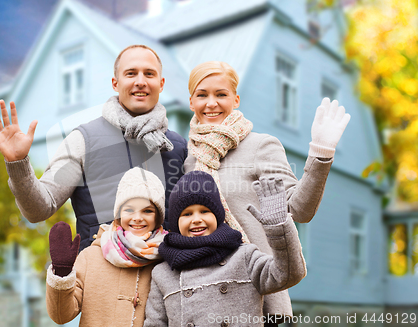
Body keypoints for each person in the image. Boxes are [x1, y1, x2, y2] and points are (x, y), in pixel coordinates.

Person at [184, 61, 350, 324]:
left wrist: (321, 153)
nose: (211, 103)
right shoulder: (190, 160)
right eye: (202, 94)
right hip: (207, 301)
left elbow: (300, 210)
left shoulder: (260, 146)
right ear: (191, 101)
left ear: (235, 99)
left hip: (259, 295)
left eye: (221, 94)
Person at [0, 45, 187, 250]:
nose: (140, 81)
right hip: (99, 276)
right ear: (115, 83)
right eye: (131, 73)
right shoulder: (83, 141)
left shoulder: (179, 148)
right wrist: (18, 163)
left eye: (149, 74)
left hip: (163, 278)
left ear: (161, 84)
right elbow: (39, 208)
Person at [143, 171, 306, 327]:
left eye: (204, 211)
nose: (197, 219)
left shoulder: (244, 256)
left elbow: (289, 274)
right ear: (175, 222)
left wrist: (279, 229)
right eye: (187, 214)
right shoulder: (162, 273)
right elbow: (154, 324)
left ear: (218, 216)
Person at [46, 167, 167, 327]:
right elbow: (61, 316)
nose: (137, 218)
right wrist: (62, 273)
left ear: (158, 216)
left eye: (147, 211)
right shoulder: (90, 257)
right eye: (129, 210)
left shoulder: (167, 258)